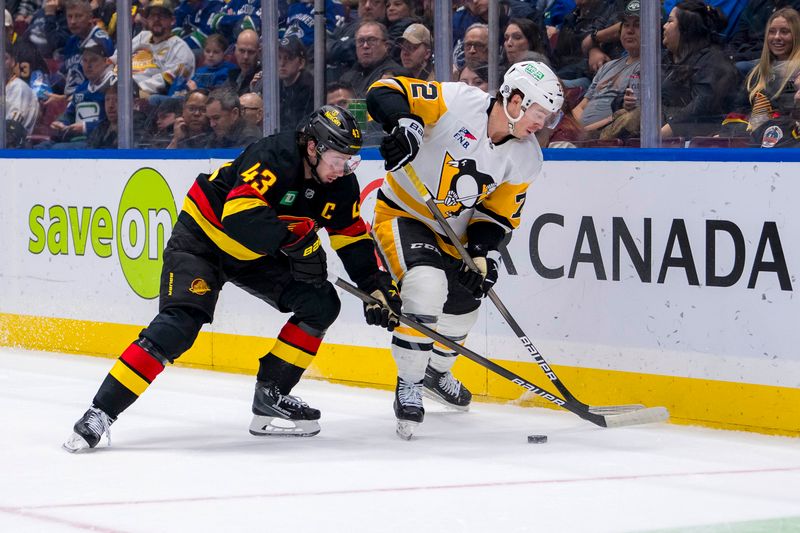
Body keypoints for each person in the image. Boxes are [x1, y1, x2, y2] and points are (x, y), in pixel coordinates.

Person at [63, 104, 402, 452]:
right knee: (178, 325)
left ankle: (272, 394)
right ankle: (100, 412)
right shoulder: (273, 156)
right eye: (337, 159)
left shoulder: (341, 185)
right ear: (312, 148)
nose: (343, 169)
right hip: (203, 241)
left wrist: (374, 285)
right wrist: (297, 245)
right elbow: (239, 217)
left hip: (256, 255)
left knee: (321, 303)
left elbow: (351, 237)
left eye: (350, 160)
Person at [365, 61, 563, 439]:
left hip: (453, 234)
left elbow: (497, 215)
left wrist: (484, 253)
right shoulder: (458, 102)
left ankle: (435, 374)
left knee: (464, 305)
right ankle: (408, 383)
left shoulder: (526, 158)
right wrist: (405, 125)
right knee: (426, 285)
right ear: (516, 101)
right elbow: (383, 91)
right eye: (539, 113)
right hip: (403, 213)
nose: (542, 124)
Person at [660, 0, 739, 138]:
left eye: (670, 21)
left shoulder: (715, 62)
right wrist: (627, 101)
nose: (664, 26)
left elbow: (701, 107)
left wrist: (660, 134)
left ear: (685, 29)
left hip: (695, 144)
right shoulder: (665, 60)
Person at [571, 0, 641, 134]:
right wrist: (577, 131)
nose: (630, 30)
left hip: (609, 138)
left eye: (637, 25)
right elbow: (579, 108)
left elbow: (626, 115)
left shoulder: (652, 67)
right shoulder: (607, 66)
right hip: (582, 137)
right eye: (626, 25)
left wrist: (586, 132)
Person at [740, 7, 800, 145]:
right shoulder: (756, 73)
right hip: (755, 143)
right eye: (772, 32)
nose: (777, 37)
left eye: (784, 32)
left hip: (789, 143)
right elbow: (740, 110)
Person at [127, 0, 196, 97]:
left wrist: (135, 87)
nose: (156, 19)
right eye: (152, 15)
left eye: (162, 16)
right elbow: (118, 58)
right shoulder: (142, 37)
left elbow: (169, 80)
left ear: (172, 20)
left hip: (146, 94)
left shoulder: (180, 49)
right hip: (122, 85)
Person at [341, 21, 403, 98]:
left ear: (386, 46)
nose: (365, 46)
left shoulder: (394, 74)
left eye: (372, 40)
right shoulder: (348, 77)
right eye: (361, 41)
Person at [277, 35, 314, 132]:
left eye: (288, 58)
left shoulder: (311, 89)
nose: (282, 63)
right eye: (279, 57)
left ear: (301, 63)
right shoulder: (273, 85)